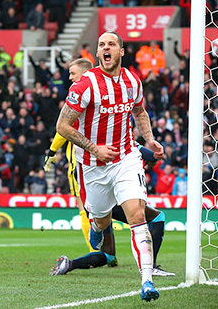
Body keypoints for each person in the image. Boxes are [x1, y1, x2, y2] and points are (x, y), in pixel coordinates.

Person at [55, 31, 163, 302]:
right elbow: (62, 126)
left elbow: (139, 111)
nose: (105, 48)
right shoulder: (85, 85)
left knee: (137, 214)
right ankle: (97, 221)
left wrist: (150, 139)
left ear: (121, 51)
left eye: (111, 44)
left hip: (126, 157)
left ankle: (147, 281)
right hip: (93, 164)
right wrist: (95, 149)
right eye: (101, 44)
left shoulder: (131, 80)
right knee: (101, 221)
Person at [49, 145, 175, 277]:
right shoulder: (120, 140)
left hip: (94, 201)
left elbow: (77, 174)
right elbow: (151, 155)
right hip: (115, 200)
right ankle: (151, 266)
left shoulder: (89, 147)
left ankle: (69, 264)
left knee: (108, 255)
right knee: (157, 217)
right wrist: (151, 153)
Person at [44, 58, 95, 250]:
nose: (70, 78)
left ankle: (94, 252)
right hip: (100, 156)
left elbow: (64, 128)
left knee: (83, 206)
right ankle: (108, 250)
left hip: (80, 156)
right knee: (100, 207)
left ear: (84, 73)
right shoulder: (100, 91)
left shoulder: (78, 94)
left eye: (73, 73)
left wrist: (52, 150)